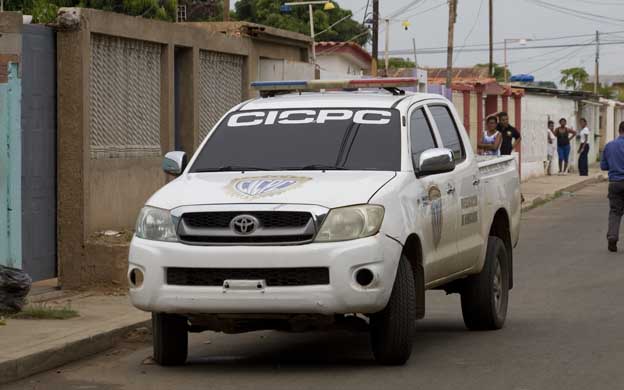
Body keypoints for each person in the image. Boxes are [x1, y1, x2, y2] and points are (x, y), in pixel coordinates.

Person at [601, 121, 624, 252]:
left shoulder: (609, 146)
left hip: (615, 183)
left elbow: (604, 166)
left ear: (618, 130)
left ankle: (612, 237)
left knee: (615, 212)